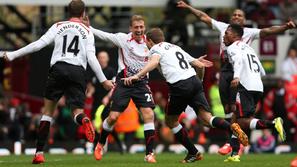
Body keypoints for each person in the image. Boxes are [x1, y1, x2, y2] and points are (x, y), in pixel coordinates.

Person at [0, 0, 114, 164]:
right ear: (83, 14)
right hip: (77, 71)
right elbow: (91, 58)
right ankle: (83, 120)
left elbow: (38, 44)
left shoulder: (58, 25)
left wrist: (13, 54)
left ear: (68, 13)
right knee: (77, 111)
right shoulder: (87, 31)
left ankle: (39, 153)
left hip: (58, 69)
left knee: (47, 113)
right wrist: (103, 80)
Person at [177, 0, 296, 156]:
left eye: (240, 15)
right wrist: (188, 8)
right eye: (234, 14)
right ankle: (232, 142)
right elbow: (203, 17)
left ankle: (234, 145)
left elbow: (268, 31)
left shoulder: (248, 32)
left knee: (237, 111)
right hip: (226, 71)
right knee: (227, 108)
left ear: (244, 20)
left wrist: (284, 27)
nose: (237, 16)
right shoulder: (223, 28)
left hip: (239, 73)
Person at [122, 28, 249, 163]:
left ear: (149, 41)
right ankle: (231, 128)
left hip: (179, 86)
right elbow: (200, 66)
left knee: (170, 121)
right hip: (194, 82)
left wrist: (136, 76)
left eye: (146, 42)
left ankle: (193, 152)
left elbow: (153, 63)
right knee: (206, 119)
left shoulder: (155, 49)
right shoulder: (174, 47)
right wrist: (198, 83)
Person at [84, 15, 157, 163]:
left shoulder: (150, 43)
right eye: (136, 27)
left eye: (141, 27)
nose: (139, 30)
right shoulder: (123, 39)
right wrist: (87, 27)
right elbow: (104, 35)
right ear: (130, 28)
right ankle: (100, 144)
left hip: (141, 84)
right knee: (113, 118)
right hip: (123, 83)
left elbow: (164, 53)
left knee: (148, 115)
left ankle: (149, 154)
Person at [223, 24, 285, 162]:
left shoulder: (233, 47)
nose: (223, 36)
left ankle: (273, 124)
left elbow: (238, 61)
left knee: (241, 121)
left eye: (226, 33)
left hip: (245, 85)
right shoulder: (249, 48)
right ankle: (234, 154)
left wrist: (237, 76)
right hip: (257, 86)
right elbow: (262, 70)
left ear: (234, 35)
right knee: (235, 120)